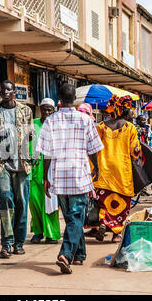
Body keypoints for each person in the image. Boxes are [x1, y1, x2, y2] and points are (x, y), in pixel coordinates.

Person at [36, 84, 103, 274]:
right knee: (75, 219)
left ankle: (79, 254)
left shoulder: (50, 121)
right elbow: (93, 149)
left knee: (72, 218)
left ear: (59, 99)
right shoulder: (85, 119)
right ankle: (65, 254)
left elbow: (46, 154)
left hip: (59, 176)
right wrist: (96, 167)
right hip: (79, 175)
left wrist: (45, 177)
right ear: (75, 99)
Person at [0, 80, 35, 259]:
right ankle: (7, 242)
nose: (5, 92)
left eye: (8, 89)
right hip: (2, 163)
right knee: (6, 199)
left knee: (21, 203)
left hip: (22, 163)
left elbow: (31, 136)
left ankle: (19, 242)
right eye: (2, 90)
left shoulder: (25, 110)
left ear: (14, 91)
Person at [92, 95, 141, 243]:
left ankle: (103, 223)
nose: (132, 115)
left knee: (104, 200)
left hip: (104, 171)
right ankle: (116, 234)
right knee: (122, 203)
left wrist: (93, 169)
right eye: (131, 112)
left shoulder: (101, 126)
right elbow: (135, 151)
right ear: (126, 112)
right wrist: (138, 150)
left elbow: (93, 149)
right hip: (122, 172)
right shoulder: (130, 128)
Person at [29, 98, 60, 244]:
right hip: (34, 169)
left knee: (50, 202)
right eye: (44, 109)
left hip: (51, 169)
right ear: (40, 109)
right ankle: (38, 231)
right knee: (34, 201)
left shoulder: (57, 125)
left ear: (53, 110)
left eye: (50, 110)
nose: (47, 112)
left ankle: (52, 233)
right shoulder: (32, 124)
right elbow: (26, 143)